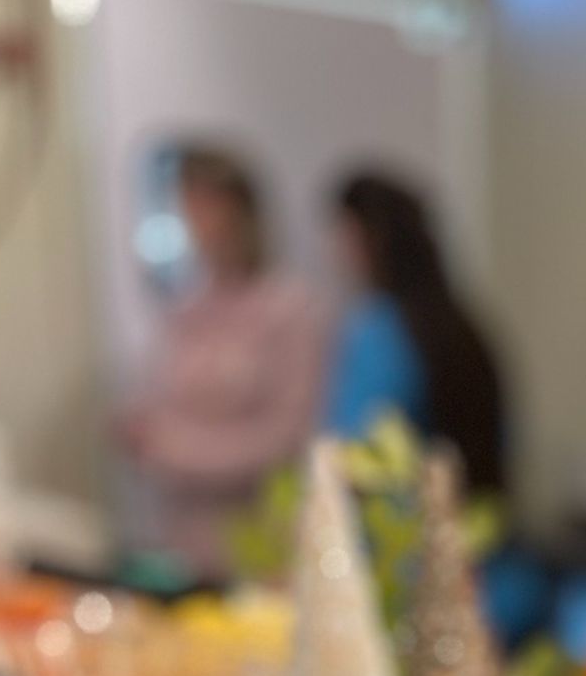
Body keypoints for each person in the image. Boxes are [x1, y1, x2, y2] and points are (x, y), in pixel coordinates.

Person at [119, 146, 325, 579]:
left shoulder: (287, 308)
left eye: (206, 202)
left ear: (240, 212)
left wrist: (177, 450)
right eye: (188, 203)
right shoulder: (184, 307)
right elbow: (156, 405)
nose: (195, 218)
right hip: (180, 537)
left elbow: (286, 438)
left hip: (256, 539)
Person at [326, 172, 508, 498]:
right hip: (479, 530)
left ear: (370, 240)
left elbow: (358, 461)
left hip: (404, 535)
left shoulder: (378, 333)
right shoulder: (462, 325)